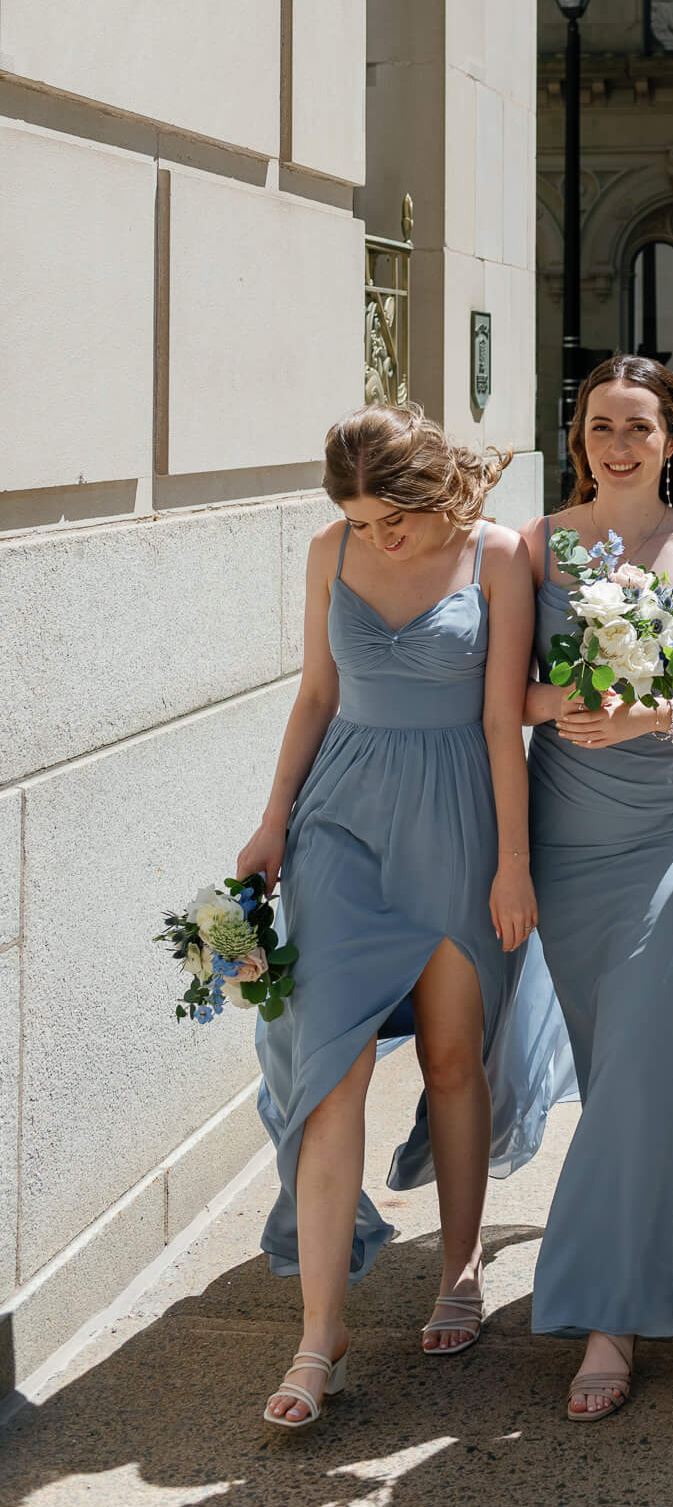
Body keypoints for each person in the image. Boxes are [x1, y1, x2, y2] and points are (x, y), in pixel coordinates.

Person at [240, 404, 558, 1429]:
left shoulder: (502, 557)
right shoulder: (328, 550)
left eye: (395, 518)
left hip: (460, 818)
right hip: (341, 824)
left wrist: (513, 865)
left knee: (455, 1057)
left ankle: (459, 1267)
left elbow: (504, 719)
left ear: (436, 492)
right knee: (331, 1067)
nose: (380, 538)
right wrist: (272, 821)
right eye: (361, 519)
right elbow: (315, 695)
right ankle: (319, 1335)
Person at [523, 357, 673, 1421]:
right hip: (568, 837)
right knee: (621, 1068)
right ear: (576, 435)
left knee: (633, 1067)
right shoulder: (537, 543)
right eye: (598, 426)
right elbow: (505, 698)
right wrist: (580, 692)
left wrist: (650, 712)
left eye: (638, 427)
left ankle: (609, 1313)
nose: (617, 445)